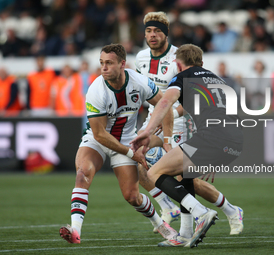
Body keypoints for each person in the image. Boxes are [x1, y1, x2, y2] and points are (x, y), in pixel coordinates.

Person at [135, 12, 244, 243]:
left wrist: (147, 130)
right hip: (232, 141)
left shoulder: (183, 77)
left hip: (210, 139)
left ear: (177, 63)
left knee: (155, 172)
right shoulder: (216, 79)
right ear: (202, 62)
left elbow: (165, 101)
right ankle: (184, 234)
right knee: (186, 174)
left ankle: (201, 213)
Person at [59, 44, 177, 244]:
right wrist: (132, 154)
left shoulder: (139, 81)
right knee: (82, 173)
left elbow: (165, 105)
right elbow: (99, 134)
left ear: (123, 64)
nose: (104, 68)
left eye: (109, 63)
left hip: (126, 141)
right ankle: (75, 230)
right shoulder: (96, 90)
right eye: (102, 63)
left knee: (132, 197)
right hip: (98, 140)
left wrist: (167, 140)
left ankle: (161, 225)